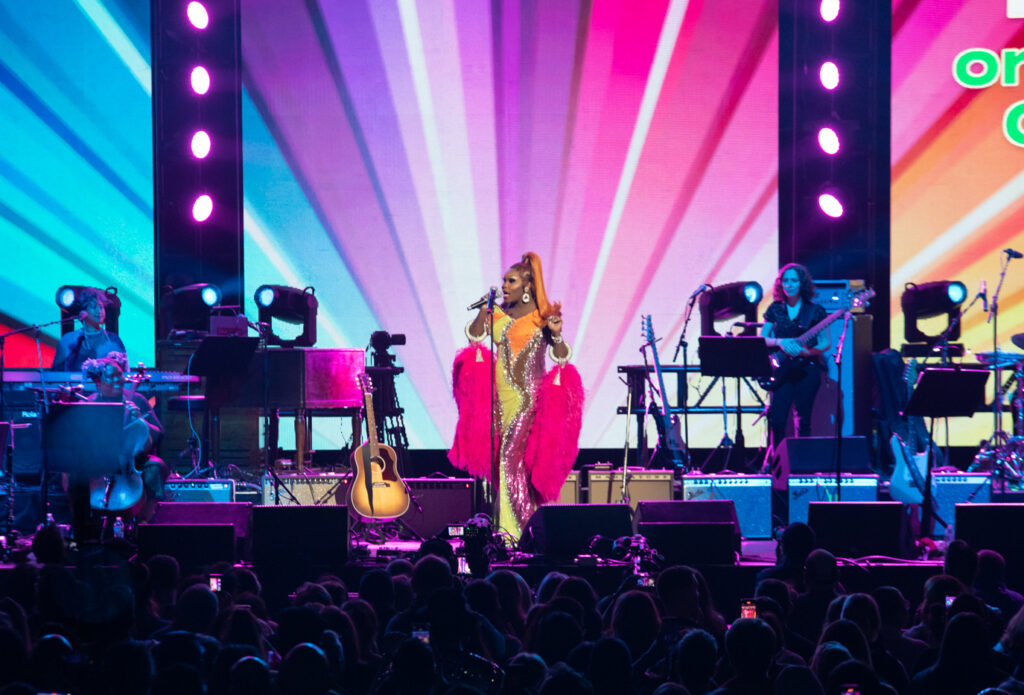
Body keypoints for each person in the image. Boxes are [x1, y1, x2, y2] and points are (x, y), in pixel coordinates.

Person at [448, 252, 583, 540]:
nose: (504, 286)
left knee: (510, 459)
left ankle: (519, 534)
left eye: (511, 281)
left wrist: (557, 334)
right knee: (509, 468)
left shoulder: (542, 318)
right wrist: (484, 309)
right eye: (504, 281)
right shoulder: (498, 313)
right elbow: (475, 336)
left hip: (527, 401)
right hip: (500, 403)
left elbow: (561, 357)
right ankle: (522, 532)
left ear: (527, 286)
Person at [65, 353, 168, 540]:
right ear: (98, 382)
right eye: (111, 377)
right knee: (69, 470)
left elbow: (159, 433)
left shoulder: (136, 399)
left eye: (119, 375)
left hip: (131, 461)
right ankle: (79, 524)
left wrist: (140, 419)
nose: (117, 380)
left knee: (156, 466)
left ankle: (145, 522)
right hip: (98, 461)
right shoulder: (89, 403)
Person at [761, 263, 830, 449]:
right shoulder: (775, 308)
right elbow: (763, 338)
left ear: (802, 283)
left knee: (803, 420)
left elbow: (825, 343)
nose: (789, 284)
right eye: (785, 280)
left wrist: (807, 352)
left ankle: (801, 461)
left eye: (793, 280)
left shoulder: (815, 310)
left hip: (807, 370)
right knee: (777, 419)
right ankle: (777, 460)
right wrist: (780, 342)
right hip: (781, 371)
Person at [51, 288, 126, 372]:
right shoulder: (68, 339)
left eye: (101, 307)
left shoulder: (114, 339)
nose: (99, 311)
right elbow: (56, 373)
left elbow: (124, 371)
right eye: (93, 307)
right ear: (82, 313)